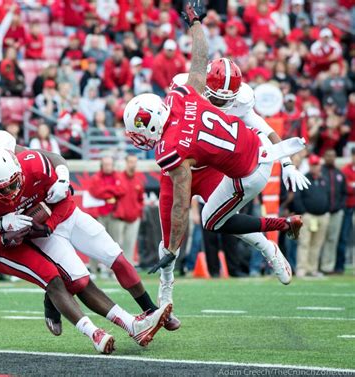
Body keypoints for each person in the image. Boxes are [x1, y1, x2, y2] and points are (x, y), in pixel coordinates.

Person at [124, 1, 305, 319]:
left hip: (212, 168)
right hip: (196, 162)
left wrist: (287, 162)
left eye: (225, 99)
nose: (219, 101)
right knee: (174, 236)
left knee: (209, 224)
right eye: (215, 95)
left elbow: (183, 203)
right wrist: (195, 24)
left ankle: (267, 246)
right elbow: (199, 58)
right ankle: (166, 295)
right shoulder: (186, 90)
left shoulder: (208, 101)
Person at [0, 117, 177, 335]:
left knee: (116, 257)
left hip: (50, 213)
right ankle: (95, 316)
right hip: (25, 226)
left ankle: (150, 309)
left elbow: (50, 163)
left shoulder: (13, 152)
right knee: (75, 279)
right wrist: (2, 223)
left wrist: (63, 177)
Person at [0, 148, 171, 353]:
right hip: (32, 240)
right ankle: (115, 328)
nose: (9, 193)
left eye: (12, 185)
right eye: (1, 190)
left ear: (18, 169)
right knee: (77, 280)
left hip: (62, 220)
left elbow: (65, 197)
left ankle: (148, 313)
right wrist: (6, 234)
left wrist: (49, 222)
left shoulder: (35, 165)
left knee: (115, 257)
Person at [293, 155, 330, 277]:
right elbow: (297, 198)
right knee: (304, 243)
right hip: (308, 216)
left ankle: (312, 268)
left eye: (317, 164)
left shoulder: (323, 179)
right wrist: (303, 212)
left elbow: (329, 196)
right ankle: (302, 269)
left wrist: (326, 210)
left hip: (322, 216)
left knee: (317, 244)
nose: (315, 167)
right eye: (313, 165)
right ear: (309, 165)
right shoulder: (303, 178)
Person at [112, 154, 145, 264]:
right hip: (119, 218)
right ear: (126, 163)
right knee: (116, 245)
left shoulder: (138, 180)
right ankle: (113, 270)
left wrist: (138, 211)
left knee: (130, 245)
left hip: (133, 218)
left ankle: (129, 270)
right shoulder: (118, 177)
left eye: (135, 162)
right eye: (131, 162)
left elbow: (140, 198)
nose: (133, 164)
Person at [319, 149, 346, 273]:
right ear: (324, 157)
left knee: (332, 239)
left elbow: (344, 193)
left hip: (336, 212)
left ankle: (327, 266)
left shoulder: (339, 174)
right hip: (323, 212)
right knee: (320, 239)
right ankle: (316, 265)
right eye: (328, 156)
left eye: (333, 156)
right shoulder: (320, 172)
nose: (330, 158)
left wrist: (340, 206)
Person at [336, 147, 355, 274]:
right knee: (343, 236)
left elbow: (350, 187)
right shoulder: (345, 170)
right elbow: (345, 189)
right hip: (348, 207)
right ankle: (340, 266)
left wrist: (352, 186)